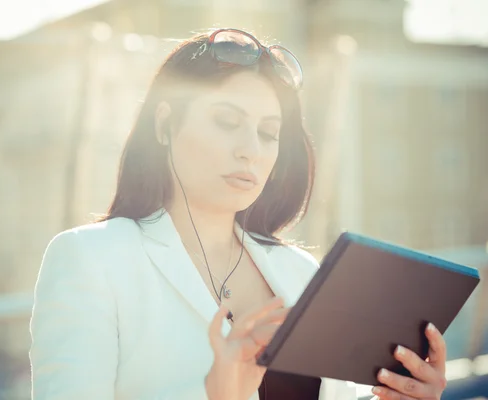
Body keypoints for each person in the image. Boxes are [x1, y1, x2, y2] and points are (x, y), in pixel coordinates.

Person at [29, 28, 448, 400]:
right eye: (227, 122)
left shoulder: (300, 271)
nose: (251, 148)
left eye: (269, 133)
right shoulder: (90, 258)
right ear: (164, 125)